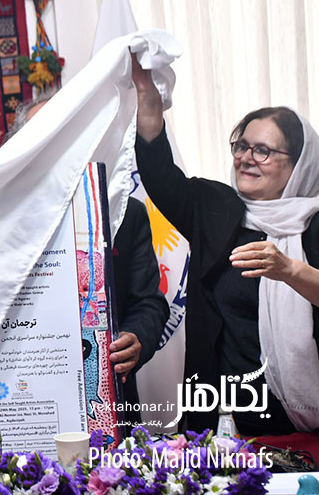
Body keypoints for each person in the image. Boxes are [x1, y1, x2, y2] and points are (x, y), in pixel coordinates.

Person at [0, 95, 169, 427]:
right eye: (42, 134)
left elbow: (149, 302)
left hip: (95, 406)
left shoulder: (119, 212)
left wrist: (136, 337)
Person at [133, 56, 319, 435]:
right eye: (242, 146)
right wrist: (148, 98)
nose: (246, 158)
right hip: (222, 423)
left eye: (263, 150)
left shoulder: (313, 224)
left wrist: (289, 270)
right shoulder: (215, 208)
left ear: (298, 164)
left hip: (300, 425)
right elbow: (159, 174)